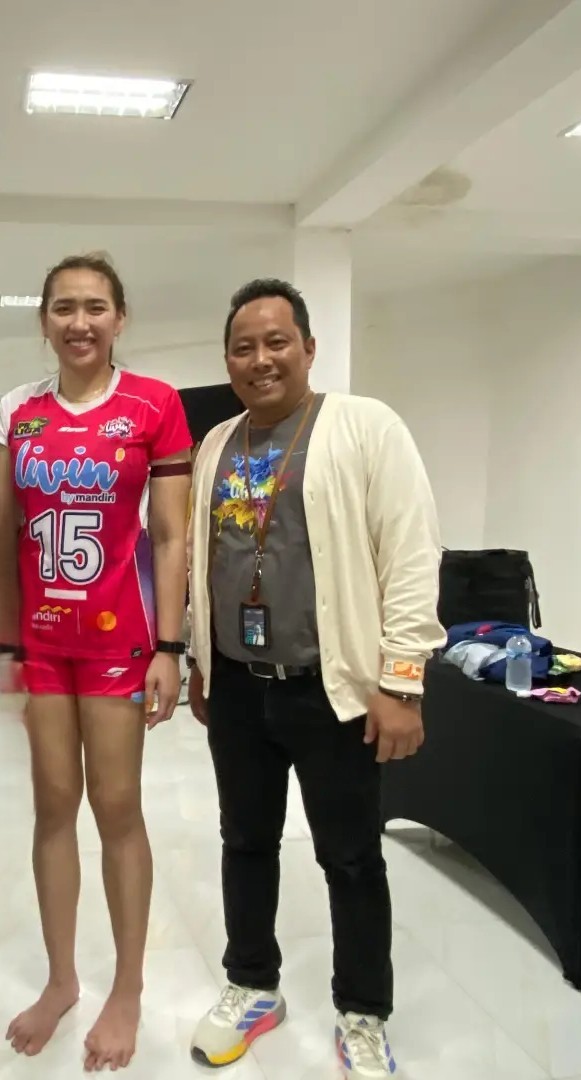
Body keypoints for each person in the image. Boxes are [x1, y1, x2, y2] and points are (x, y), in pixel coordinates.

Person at [187, 278, 445, 1078]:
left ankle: (362, 1012)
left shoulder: (365, 426)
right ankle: (251, 985)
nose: (260, 359)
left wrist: (401, 683)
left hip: (333, 689)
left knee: (351, 857)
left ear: (307, 346)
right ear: (227, 359)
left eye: (276, 342)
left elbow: (411, 556)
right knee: (244, 841)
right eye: (243, 347)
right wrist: (200, 659)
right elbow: (204, 561)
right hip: (238, 685)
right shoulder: (215, 443)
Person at [0, 254, 192, 1071]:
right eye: (64, 307)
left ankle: (128, 988)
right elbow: (4, 537)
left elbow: (173, 537)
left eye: (95, 306)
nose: (79, 322)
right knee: (51, 808)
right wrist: (7, 642)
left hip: (121, 640)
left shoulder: (154, 404)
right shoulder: (17, 413)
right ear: (44, 320)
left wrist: (171, 648)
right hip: (43, 642)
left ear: (120, 317)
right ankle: (61, 980)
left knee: (117, 808)